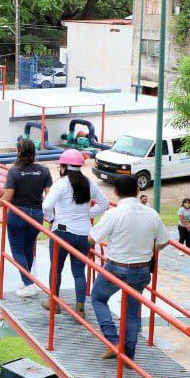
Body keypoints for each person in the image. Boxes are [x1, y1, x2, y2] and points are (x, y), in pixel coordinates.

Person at [88, 174, 170, 359]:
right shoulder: (151, 213)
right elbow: (164, 241)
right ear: (138, 190)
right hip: (141, 269)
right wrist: (148, 248)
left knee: (98, 298)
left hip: (117, 267)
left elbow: (92, 238)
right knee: (132, 312)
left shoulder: (113, 213)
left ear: (116, 191)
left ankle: (113, 340)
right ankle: (128, 355)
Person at [42, 149, 108, 313]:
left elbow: (46, 206)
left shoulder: (61, 184)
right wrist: (87, 214)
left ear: (63, 167)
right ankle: (80, 307)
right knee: (79, 272)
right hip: (84, 233)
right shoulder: (90, 184)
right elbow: (104, 204)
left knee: (56, 268)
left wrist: (51, 219)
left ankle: (54, 303)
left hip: (62, 232)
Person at [0, 139, 53, 297]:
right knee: (28, 248)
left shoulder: (14, 171)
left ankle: (28, 284)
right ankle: (26, 280)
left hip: (18, 214)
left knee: (17, 251)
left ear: (18, 151)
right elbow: (50, 196)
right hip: (36, 215)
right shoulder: (44, 170)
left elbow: (7, 197)